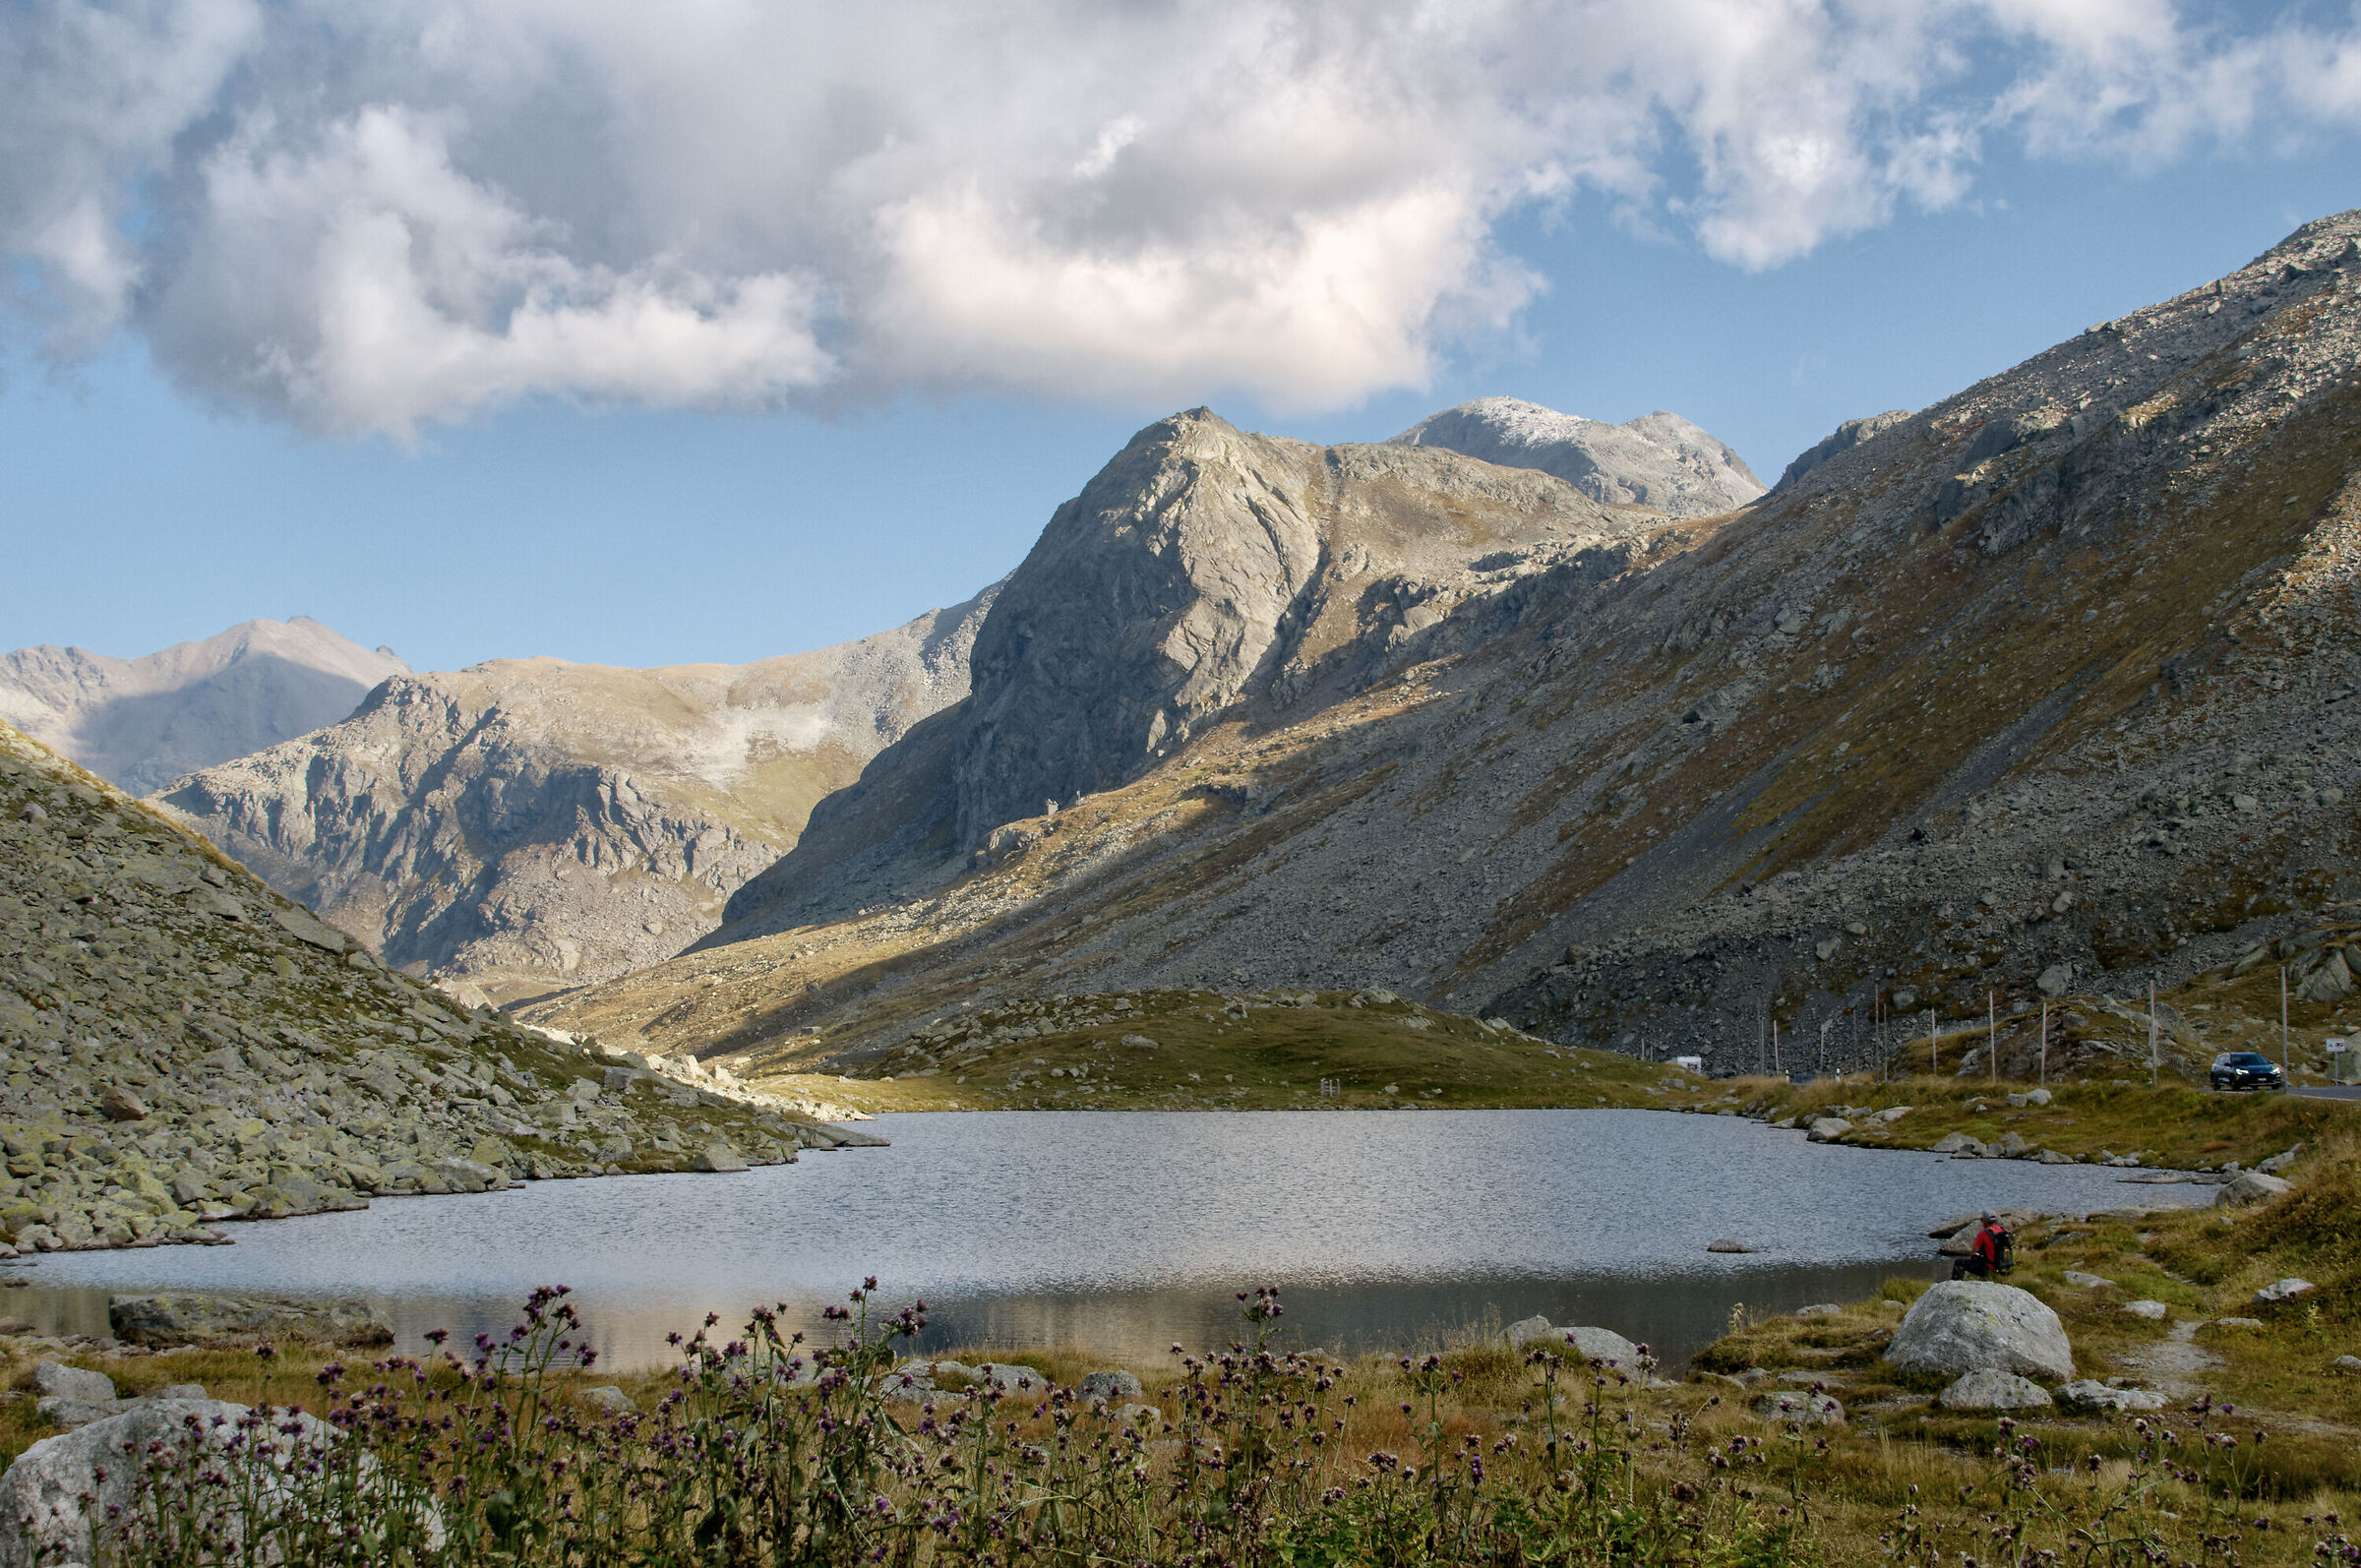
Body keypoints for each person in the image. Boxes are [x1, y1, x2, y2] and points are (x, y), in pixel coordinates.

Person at [1951, 1211, 2013, 1280]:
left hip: (1989, 1268)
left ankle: (1955, 1284)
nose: (1981, 1221)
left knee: (1959, 1263)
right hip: (2005, 1266)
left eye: (1982, 1219)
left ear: (1986, 1221)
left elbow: (1972, 1254)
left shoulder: (1983, 1233)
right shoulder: (2005, 1231)